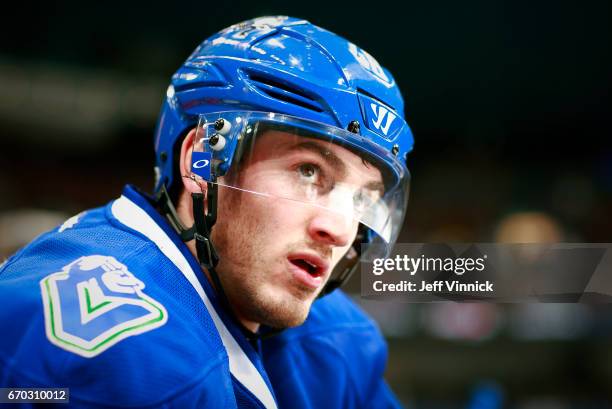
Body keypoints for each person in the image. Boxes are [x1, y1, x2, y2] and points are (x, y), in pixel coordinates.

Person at [0, 16, 413, 408]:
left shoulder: (340, 340)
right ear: (203, 160)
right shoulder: (130, 358)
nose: (340, 230)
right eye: (308, 171)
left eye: (363, 198)